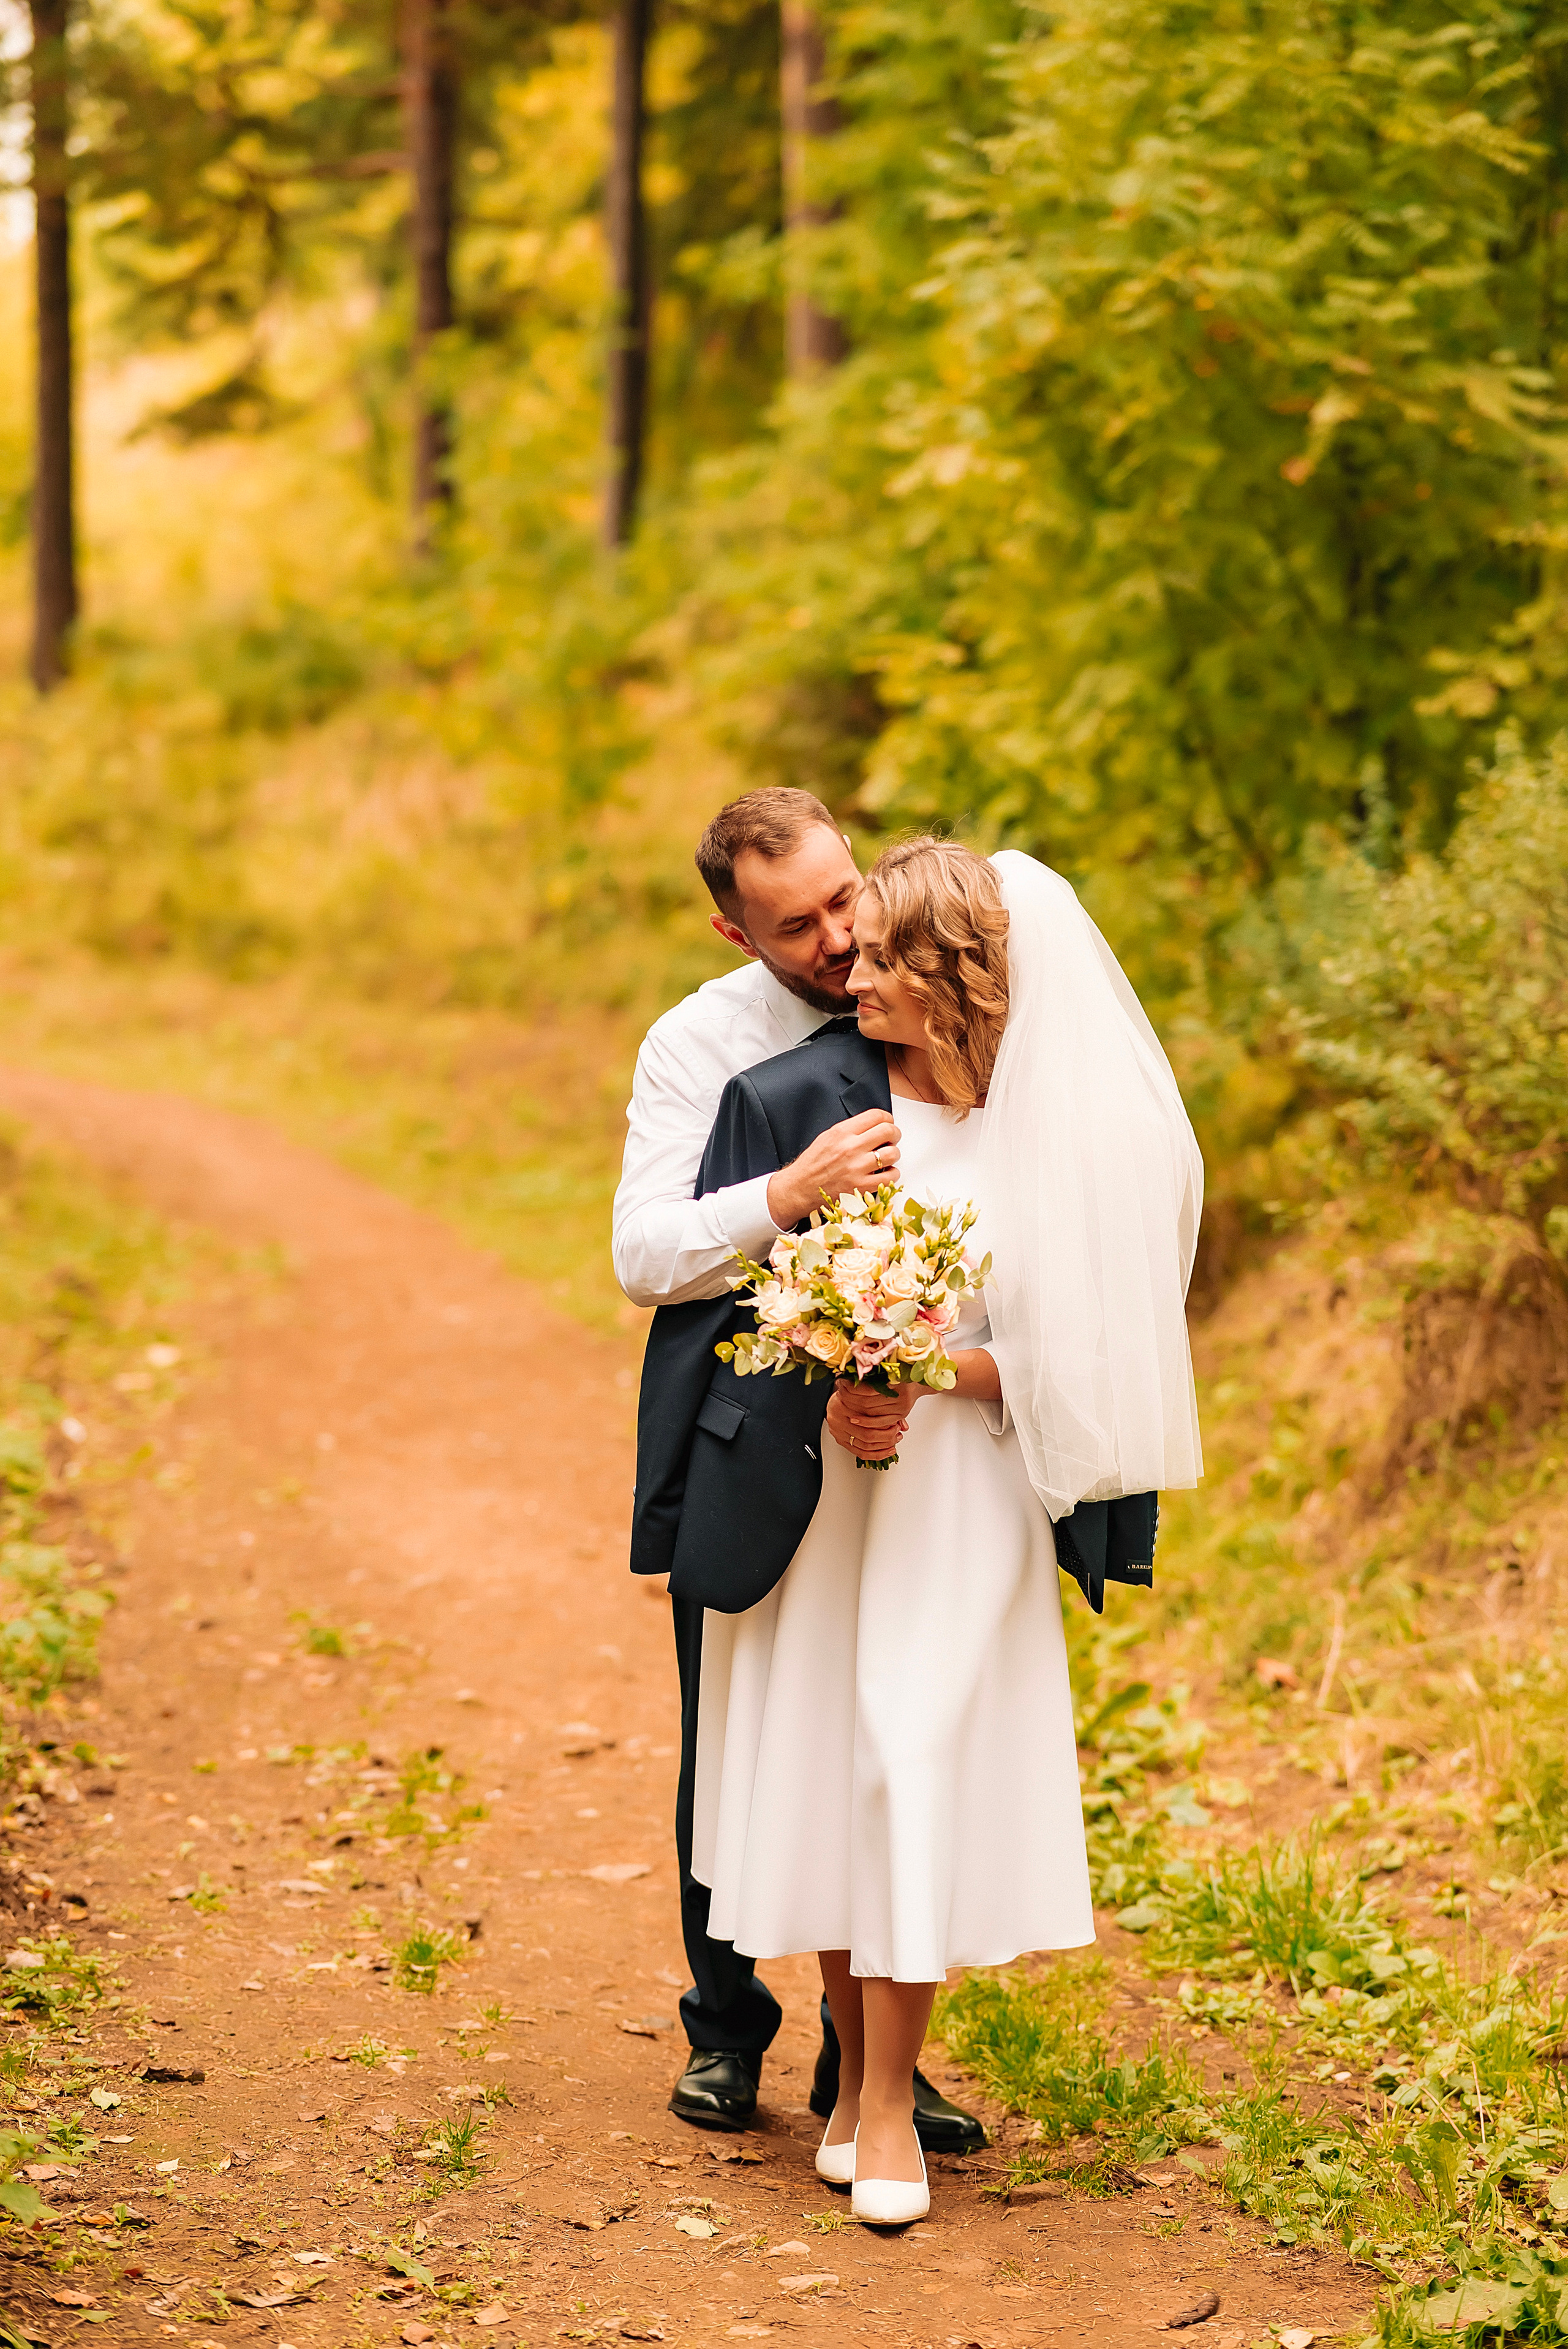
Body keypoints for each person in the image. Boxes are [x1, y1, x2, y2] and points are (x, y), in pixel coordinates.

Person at [654, 836, 1203, 2225]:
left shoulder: (1072, 1133)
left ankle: (889, 2094)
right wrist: (829, 1359)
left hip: (963, 1499)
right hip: (832, 1501)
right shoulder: (808, 1104)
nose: (854, 967)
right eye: (845, 942)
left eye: (888, 952)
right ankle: (846, 2086)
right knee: (840, 1768)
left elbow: (1090, 1356)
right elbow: (718, 1312)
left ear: (958, 974)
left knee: (910, 1759)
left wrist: (916, 1364)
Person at [612, 789, 986, 2150]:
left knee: (886, 1733)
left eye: (844, 900)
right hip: (753, 1429)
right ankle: (725, 2029)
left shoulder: (930, 998)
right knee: (732, 1729)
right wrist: (785, 1195)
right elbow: (641, 1253)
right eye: (798, 925)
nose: (837, 939)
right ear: (732, 927)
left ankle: (870, 2062)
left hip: (912, 1444)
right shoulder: (697, 1044)